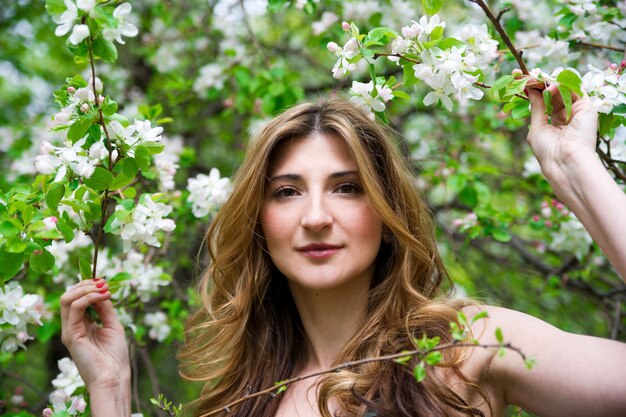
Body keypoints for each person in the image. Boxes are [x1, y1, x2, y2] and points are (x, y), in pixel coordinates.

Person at [60, 87, 626, 417]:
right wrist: (109, 389)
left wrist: (574, 170)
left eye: (347, 187)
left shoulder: (467, 345)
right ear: (258, 221)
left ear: (386, 209)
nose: (315, 217)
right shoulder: (242, 400)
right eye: (286, 192)